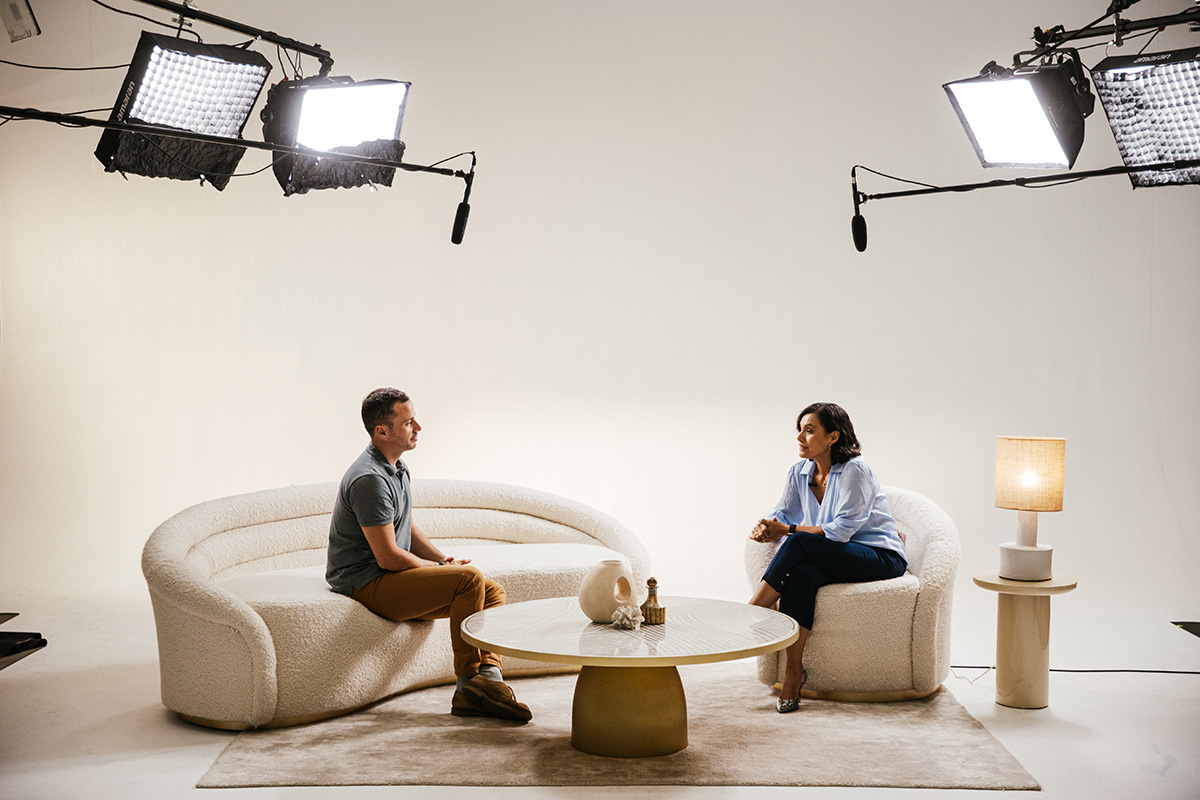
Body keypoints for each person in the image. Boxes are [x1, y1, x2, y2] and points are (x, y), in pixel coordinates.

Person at [326, 387, 531, 722]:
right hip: (364, 583)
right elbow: (388, 557)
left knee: (491, 591)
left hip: (387, 576)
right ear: (382, 431)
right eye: (408, 422)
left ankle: (490, 680)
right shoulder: (369, 479)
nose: (418, 427)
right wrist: (440, 571)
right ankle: (467, 685)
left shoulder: (396, 468)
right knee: (468, 580)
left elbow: (406, 526)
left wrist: (443, 562)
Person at [748, 402, 907, 713]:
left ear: (833, 437)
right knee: (802, 574)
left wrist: (788, 530)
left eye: (809, 431)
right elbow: (784, 512)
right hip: (834, 556)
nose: (800, 438)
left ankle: (752, 614)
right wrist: (767, 526)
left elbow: (842, 531)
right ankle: (793, 673)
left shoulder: (855, 471)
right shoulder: (799, 472)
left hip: (879, 557)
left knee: (798, 542)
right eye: (800, 430)